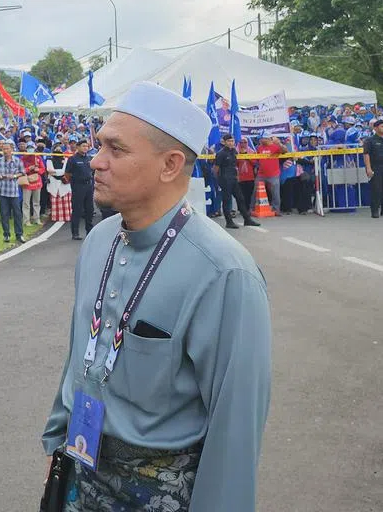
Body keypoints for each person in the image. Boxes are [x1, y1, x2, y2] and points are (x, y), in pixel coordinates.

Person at [41, 81, 272, 512]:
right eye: (99, 146)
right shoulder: (98, 242)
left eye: (116, 149)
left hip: (160, 492)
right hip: (80, 471)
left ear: (170, 165)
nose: (96, 161)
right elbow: (82, 354)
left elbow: (235, 425)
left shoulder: (224, 273)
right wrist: (59, 438)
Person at [212, 133, 260, 229]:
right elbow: (215, 168)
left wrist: (237, 176)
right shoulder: (221, 153)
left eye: (232, 141)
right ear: (224, 142)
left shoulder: (234, 151)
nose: (231, 143)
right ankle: (229, 222)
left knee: (240, 198)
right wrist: (218, 181)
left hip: (233, 178)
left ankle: (247, 219)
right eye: (229, 141)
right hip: (225, 179)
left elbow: (235, 165)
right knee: (227, 200)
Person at [65, 136, 95, 241]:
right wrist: (74, 183)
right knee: (77, 210)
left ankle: (89, 231)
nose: (85, 148)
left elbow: (92, 171)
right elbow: (67, 174)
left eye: (87, 146)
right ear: (78, 147)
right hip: (78, 186)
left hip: (89, 186)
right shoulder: (73, 159)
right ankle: (75, 232)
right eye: (83, 146)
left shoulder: (89, 158)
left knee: (89, 210)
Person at [0, 139, 25, 244]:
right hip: (2, 191)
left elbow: (23, 172)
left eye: (7, 149)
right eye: (4, 149)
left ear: (12, 149)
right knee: (4, 214)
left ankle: (19, 234)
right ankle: (6, 234)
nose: (5, 151)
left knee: (17, 213)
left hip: (13, 191)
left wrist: (14, 176)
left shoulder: (17, 161)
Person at [255, 135, 285, 215]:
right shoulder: (259, 148)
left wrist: (279, 143)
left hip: (273, 174)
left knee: (275, 193)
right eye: (261, 139)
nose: (261, 140)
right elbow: (257, 159)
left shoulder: (275, 146)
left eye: (262, 139)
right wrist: (257, 167)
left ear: (267, 139)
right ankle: (255, 208)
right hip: (261, 174)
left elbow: (285, 151)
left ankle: (276, 210)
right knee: (256, 191)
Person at [46, 145, 72, 224]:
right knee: (55, 201)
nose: (58, 150)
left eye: (59, 149)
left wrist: (55, 172)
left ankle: (67, 216)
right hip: (53, 183)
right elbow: (49, 170)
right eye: (56, 149)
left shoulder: (66, 159)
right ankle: (56, 217)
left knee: (66, 201)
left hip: (64, 183)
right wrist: (58, 172)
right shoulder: (49, 160)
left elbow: (65, 170)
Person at [21, 143, 46, 227]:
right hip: (27, 182)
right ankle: (26, 220)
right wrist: (29, 168)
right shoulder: (23, 158)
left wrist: (38, 169)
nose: (30, 149)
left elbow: (43, 169)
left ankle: (37, 219)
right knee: (26, 203)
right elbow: (20, 170)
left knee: (36, 202)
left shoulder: (38, 158)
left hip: (37, 181)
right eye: (28, 148)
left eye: (31, 147)